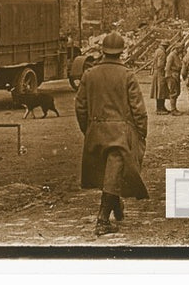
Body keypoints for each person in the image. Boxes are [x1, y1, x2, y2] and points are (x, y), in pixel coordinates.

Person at [75, 33, 149, 236]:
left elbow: (80, 106)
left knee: (108, 171)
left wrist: (88, 129)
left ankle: (117, 209)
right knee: (114, 170)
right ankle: (102, 220)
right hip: (120, 133)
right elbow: (138, 109)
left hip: (96, 131)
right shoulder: (128, 75)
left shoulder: (89, 74)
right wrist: (141, 132)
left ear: (102, 51)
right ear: (122, 52)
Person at [149, 43, 172, 114]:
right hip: (160, 73)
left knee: (159, 90)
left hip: (156, 73)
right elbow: (160, 64)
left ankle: (162, 107)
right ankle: (160, 108)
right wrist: (166, 68)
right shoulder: (162, 53)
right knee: (161, 91)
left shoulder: (157, 50)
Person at [164, 42, 183, 114]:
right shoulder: (171, 55)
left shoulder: (176, 55)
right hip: (172, 76)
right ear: (177, 48)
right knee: (173, 92)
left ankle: (174, 108)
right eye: (181, 48)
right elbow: (167, 67)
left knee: (177, 92)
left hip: (175, 75)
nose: (182, 50)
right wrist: (170, 76)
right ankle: (173, 110)